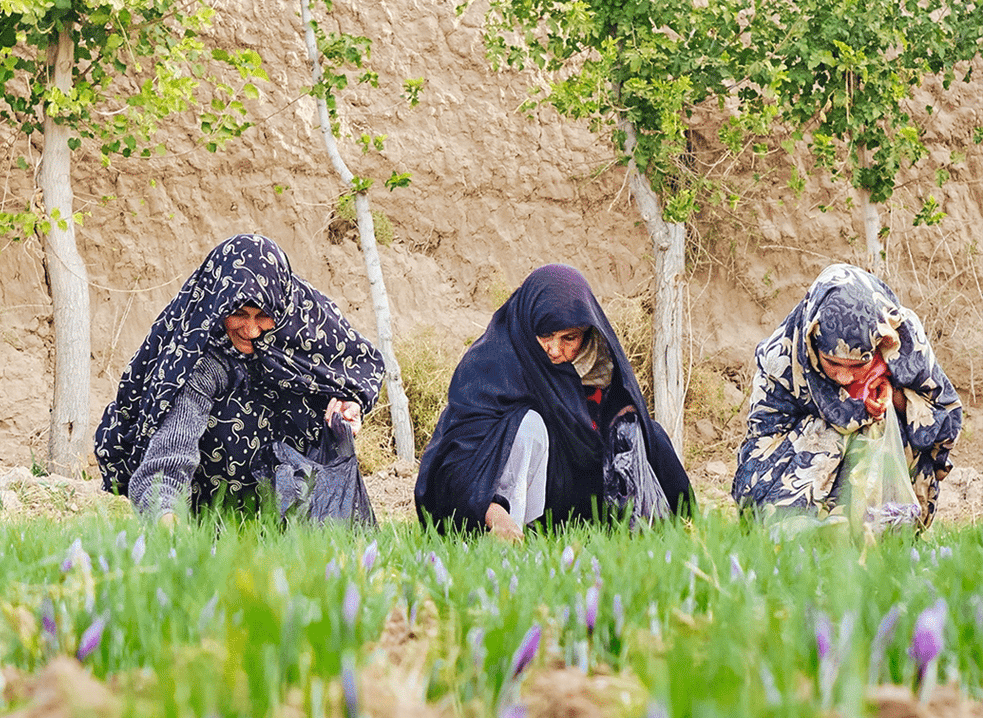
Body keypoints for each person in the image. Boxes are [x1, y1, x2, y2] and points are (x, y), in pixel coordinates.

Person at [93, 234, 385, 522]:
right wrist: (167, 517)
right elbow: (172, 449)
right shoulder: (199, 356)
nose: (252, 330)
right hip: (216, 516)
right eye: (239, 314)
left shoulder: (306, 330)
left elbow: (356, 369)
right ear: (219, 305)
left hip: (305, 510)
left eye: (262, 316)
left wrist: (350, 404)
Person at [414, 264, 691, 538]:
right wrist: (494, 514)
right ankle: (511, 539)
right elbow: (459, 459)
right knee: (528, 426)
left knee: (638, 430)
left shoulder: (598, 366)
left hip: (572, 499)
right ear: (528, 324)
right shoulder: (490, 364)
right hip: (483, 509)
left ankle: (646, 536)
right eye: (545, 335)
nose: (555, 349)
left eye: (569, 338)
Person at [732, 263, 963, 526]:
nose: (843, 377)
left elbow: (945, 422)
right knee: (825, 430)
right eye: (833, 363)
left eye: (858, 365)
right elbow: (762, 444)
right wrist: (847, 408)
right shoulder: (783, 358)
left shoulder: (903, 338)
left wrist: (892, 394)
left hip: (884, 474)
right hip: (804, 478)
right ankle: (813, 535)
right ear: (812, 341)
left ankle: (886, 531)